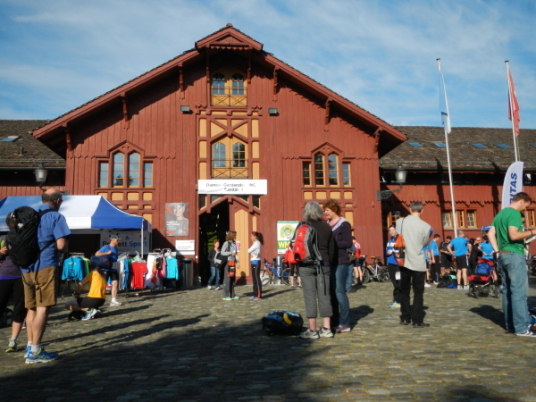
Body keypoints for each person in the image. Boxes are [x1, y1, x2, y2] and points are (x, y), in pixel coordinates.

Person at [21, 188, 70, 364]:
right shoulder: (56, 217)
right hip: (45, 264)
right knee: (43, 307)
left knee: (31, 307)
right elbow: (61, 245)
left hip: (26, 266)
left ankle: (29, 346)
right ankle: (36, 351)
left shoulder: (28, 215)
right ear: (57, 201)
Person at [488, 192, 535, 337]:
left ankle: (511, 325)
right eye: (525, 206)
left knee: (507, 292)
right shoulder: (514, 214)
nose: (524, 209)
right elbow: (513, 235)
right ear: (521, 201)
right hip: (514, 255)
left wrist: (497, 250)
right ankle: (522, 328)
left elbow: (490, 234)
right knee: (519, 292)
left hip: (503, 255)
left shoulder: (500, 214)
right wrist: (532, 232)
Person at [298, 201, 336, 339]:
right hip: (324, 264)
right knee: (325, 295)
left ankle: (312, 330)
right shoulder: (326, 227)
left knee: (310, 296)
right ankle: (327, 328)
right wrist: (328, 263)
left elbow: (296, 247)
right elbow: (332, 249)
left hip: (306, 264)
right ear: (319, 212)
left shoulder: (302, 226)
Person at [396, 201, 432, 328]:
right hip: (418, 261)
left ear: (410, 209)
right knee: (418, 292)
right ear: (422, 210)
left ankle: (405, 317)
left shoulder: (400, 222)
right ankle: (417, 320)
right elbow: (424, 243)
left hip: (404, 260)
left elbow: (398, 236)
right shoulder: (426, 226)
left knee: (404, 290)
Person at [323, 199, 353, 334]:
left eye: (327, 210)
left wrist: (332, 243)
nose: (325, 212)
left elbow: (348, 243)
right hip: (329, 261)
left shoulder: (343, 224)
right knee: (331, 293)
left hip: (340, 261)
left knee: (340, 292)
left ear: (334, 210)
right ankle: (334, 321)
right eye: (325, 210)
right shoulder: (326, 224)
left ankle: (345, 322)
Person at [0, 220, 27, 353]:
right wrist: (1, 252)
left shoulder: (27, 237)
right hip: (4, 275)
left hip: (21, 276)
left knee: (19, 309)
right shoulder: (4, 238)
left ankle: (13, 340)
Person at [95, 235, 121, 306]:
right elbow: (97, 254)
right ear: (112, 240)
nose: (118, 241)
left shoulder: (116, 249)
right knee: (103, 284)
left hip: (114, 266)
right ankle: (98, 299)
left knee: (115, 283)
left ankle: (113, 300)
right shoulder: (106, 247)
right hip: (105, 268)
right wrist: (107, 253)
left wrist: (116, 267)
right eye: (117, 240)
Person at [385, 225, 401, 308]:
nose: (391, 232)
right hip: (391, 264)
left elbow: (402, 250)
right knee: (394, 283)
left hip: (397, 265)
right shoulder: (389, 240)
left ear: (396, 230)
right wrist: (388, 252)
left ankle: (399, 300)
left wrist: (393, 251)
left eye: (393, 230)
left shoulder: (399, 239)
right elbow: (386, 250)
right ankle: (396, 300)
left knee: (398, 282)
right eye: (390, 230)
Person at [221, 231, 239, 301]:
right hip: (228, 262)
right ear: (231, 236)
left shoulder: (234, 244)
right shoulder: (226, 243)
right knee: (227, 279)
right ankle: (225, 295)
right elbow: (222, 252)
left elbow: (236, 254)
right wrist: (230, 253)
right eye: (234, 235)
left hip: (233, 262)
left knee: (232, 278)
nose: (235, 236)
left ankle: (232, 294)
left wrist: (237, 262)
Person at [248, 231, 263, 300]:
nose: (250, 237)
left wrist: (252, 252)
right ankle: (255, 294)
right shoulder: (254, 243)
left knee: (257, 278)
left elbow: (249, 250)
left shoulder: (257, 243)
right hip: (253, 262)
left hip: (256, 262)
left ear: (255, 237)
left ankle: (259, 295)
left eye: (251, 236)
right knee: (254, 279)